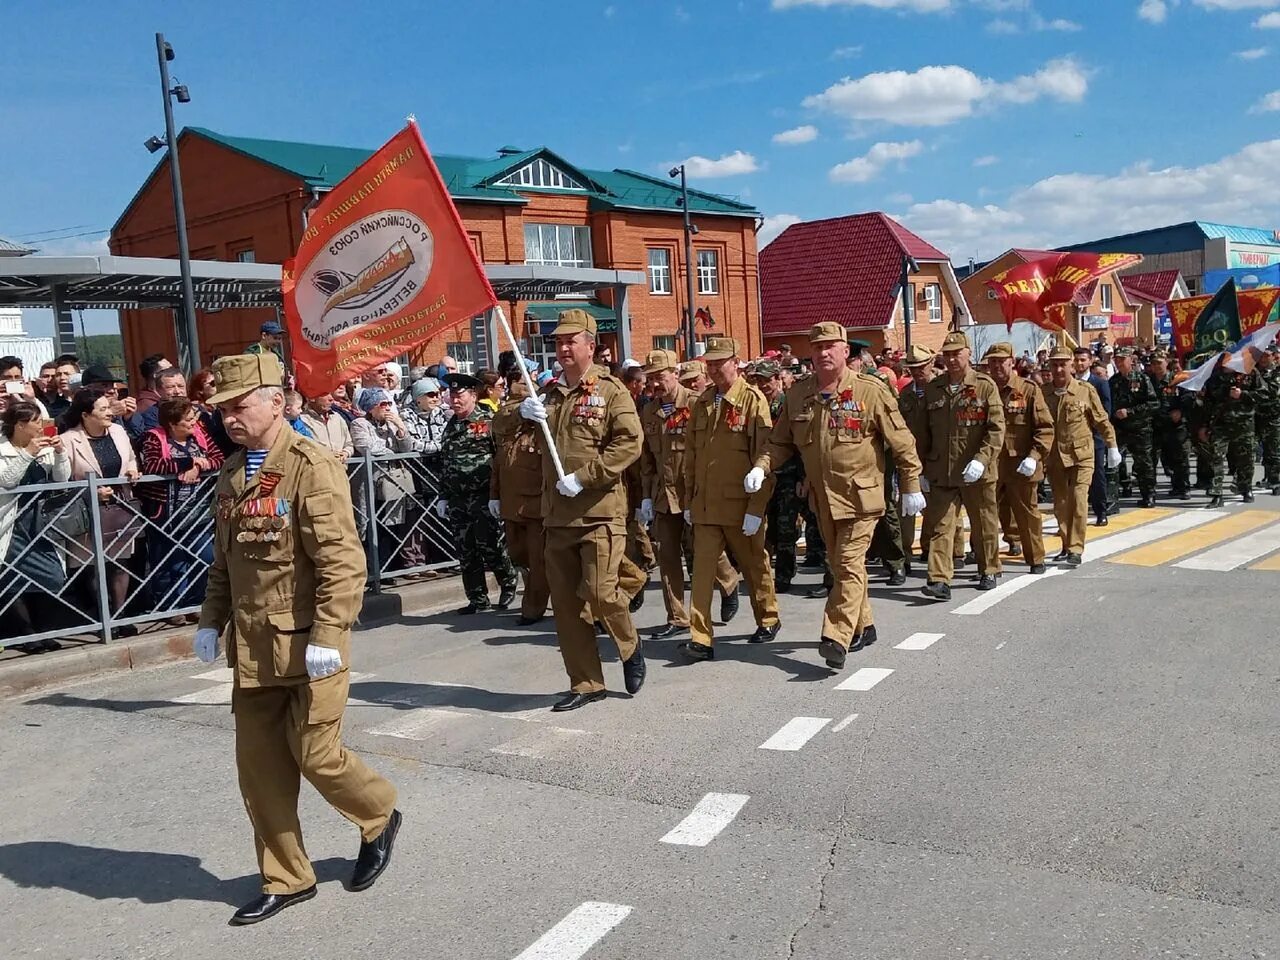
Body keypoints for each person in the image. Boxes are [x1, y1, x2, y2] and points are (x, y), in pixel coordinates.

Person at [192, 353, 399, 926]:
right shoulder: (234, 472)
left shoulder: (311, 465)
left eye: (240, 406)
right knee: (260, 771)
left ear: (275, 402)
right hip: (253, 650)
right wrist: (211, 621)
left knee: (316, 754)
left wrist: (331, 631)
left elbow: (341, 559)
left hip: (309, 645)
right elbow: (225, 564)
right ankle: (287, 877)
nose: (230, 418)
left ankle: (378, 812)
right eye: (223, 410)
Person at [753, 322, 923, 668]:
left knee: (846, 565)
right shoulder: (800, 394)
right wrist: (761, 466)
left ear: (846, 351)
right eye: (817, 347)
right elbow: (781, 442)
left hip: (862, 499)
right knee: (846, 566)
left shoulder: (869, 391)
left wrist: (911, 484)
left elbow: (901, 440)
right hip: (824, 500)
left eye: (831, 346)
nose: (824, 352)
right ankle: (866, 624)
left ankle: (836, 636)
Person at [517, 309, 646, 711]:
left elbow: (629, 442)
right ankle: (587, 682)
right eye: (558, 341)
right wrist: (520, 414)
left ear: (592, 346)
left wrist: (586, 476)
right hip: (557, 516)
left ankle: (630, 644)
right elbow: (506, 433)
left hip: (599, 512)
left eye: (571, 340)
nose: (563, 347)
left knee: (600, 590)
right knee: (568, 607)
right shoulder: (550, 395)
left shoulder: (611, 392)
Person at [679, 336, 780, 662]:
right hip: (706, 506)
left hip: (739, 506)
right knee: (702, 573)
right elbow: (692, 456)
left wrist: (756, 508)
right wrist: (689, 500)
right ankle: (701, 637)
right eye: (709, 363)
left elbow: (764, 456)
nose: (713, 368)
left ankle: (768, 617)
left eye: (719, 362)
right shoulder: (703, 401)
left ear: (735, 363)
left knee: (754, 566)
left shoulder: (752, 401)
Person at [638, 349, 740, 638]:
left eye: (660, 377)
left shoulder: (697, 404)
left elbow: (709, 450)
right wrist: (645, 496)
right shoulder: (649, 410)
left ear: (675, 373)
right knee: (668, 555)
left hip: (693, 491)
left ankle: (729, 581)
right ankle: (677, 617)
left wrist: (705, 490)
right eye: (651, 379)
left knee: (703, 548)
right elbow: (647, 459)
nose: (656, 384)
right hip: (663, 494)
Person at [918, 331, 1005, 602]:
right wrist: (920, 469)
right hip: (941, 470)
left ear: (968, 354)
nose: (953, 359)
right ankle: (939, 579)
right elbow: (922, 432)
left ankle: (988, 568)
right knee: (941, 526)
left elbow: (996, 428)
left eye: (957, 353)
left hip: (976, 472)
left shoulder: (984, 385)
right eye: (948, 354)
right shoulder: (934, 388)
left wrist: (981, 460)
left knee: (983, 524)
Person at [61, 387, 143, 636]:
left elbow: (129, 457)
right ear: (86, 415)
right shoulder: (68, 439)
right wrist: (91, 492)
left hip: (119, 504)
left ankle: (120, 616)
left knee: (120, 562)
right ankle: (102, 618)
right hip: (87, 511)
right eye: (103, 409)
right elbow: (63, 479)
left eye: (109, 407)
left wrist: (131, 468)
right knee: (92, 566)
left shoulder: (118, 431)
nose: (110, 412)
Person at [434, 372, 516, 613]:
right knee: (466, 550)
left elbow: (500, 458)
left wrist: (497, 494)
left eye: (459, 395)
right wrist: (444, 495)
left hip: (482, 495)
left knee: (489, 544)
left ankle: (508, 583)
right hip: (459, 498)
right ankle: (477, 598)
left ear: (472, 395)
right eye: (451, 395)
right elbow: (447, 462)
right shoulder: (451, 425)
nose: (454, 400)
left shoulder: (488, 420)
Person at [138, 397, 222, 618]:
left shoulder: (200, 436)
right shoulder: (154, 438)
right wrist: (189, 463)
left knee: (204, 557)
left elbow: (219, 459)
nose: (194, 423)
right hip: (165, 512)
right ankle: (171, 606)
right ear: (172, 424)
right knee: (169, 560)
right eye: (188, 420)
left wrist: (201, 466)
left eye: (194, 418)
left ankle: (196, 602)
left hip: (199, 511)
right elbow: (154, 465)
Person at [0, 400, 69, 653]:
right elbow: (7, 480)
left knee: (52, 576)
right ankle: (26, 634)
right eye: (37, 422)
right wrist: (27, 452)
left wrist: (61, 453)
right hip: (10, 523)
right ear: (20, 425)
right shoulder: (3, 447)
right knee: (12, 578)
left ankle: (44, 629)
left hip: (40, 521)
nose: (42, 427)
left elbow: (62, 479)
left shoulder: (45, 447)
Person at [1042, 347, 1120, 565]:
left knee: (1078, 500)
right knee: (1060, 504)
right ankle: (1067, 545)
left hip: (1082, 456)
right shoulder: (1042, 392)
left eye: (1063, 364)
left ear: (1071, 365)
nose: (1058, 369)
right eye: (1054, 364)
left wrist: (1112, 445)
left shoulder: (1085, 390)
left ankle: (1076, 548)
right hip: (1055, 457)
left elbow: (1101, 420)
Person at [983, 342, 1054, 575]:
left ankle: (1035, 557)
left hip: (1020, 463)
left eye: (1000, 361)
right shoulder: (983, 390)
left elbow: (1044, 428)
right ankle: (989, 563)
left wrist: (1034, 456)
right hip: (991, 463)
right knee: (987, 513)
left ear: (1011, 362)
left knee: (1027, 512)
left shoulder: (1029, 390)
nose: (996, 366)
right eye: (991, 362)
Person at [490, 368, 549, 624]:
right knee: (518, 556)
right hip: (511, 504)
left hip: (536, 504)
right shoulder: (507, 428)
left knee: (538, 561)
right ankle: (539, 596)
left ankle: (533, 608)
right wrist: (494, 495)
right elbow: (498, 465)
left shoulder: (542, 428)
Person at [350, 388, 416, 576]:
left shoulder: (391, 423)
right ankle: (377, 570)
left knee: (394, 523)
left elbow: (407, 448)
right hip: (372, 481)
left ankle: (393, 568)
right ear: (371, 408)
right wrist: (392, 452)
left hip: (394, 481)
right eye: (382, 404)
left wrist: (401, 429)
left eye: (388, 404)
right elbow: (366, 446)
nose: (387, 408)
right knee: (373, 525)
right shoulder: (359, 423)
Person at [1109, 346, 1159, 507]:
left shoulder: (1142, 379)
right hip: (1120, 429)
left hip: (1140, 429)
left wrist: (1130, 412)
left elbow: (1153, 403)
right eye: (1117, 360)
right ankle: (1113, 496)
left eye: (1123, 359)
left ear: (1131, 360)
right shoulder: (1114, 381)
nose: (1119, 362)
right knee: (1114, 462)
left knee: (1144, 464)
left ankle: (1148, 495)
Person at [1204, 365, 1260, 506]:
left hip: (1244, 425)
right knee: (1217, 458)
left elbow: (1264, 395)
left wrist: (1243, 395)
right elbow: (1207, 401)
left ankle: (1245, 487)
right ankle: (1217, 493)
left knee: (1246, 459)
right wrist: (1204, 425)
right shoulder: (1214, 376)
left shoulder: (1249, 372)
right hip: (1220, 425)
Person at [1074, 346, 1115, 526]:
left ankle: (1101, 511)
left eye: (1083, 360)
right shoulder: (1069, 383)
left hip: (1094, 437)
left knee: (1097, 476)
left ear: (1090, 361)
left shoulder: (1099, 383)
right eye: (1076, 360)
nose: (1079, 363)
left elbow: (1105, 411)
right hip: (1074, 438)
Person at [1148, 352, 1191, 500]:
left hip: (1175, 425)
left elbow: (1188, 398)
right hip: (1155, 425)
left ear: (1167, 362)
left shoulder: (1178, 379)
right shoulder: (1147, 380)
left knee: (1179, 458)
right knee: (1154, 458)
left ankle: (1183, 487)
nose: (1157, 366)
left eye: (1159, 362)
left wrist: (1181, 411)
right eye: (1154, 363)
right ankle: (1149, 489)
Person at [1253, 347, 1280, 495]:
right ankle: (1266, 477)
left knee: (1273, 451)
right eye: (1261, 356)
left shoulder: (1276, 373)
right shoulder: (1253, 371)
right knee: (1253, 449)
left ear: (1273, 357)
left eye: (1267, 356)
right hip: (1256, 416)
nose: (1263, 359)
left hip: (1272, 417)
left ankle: (1275, 481)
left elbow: (1271, 392)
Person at [299, 391, 354, 459]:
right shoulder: (302, 421)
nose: (331, 398)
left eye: (331, 394)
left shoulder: (337, 418)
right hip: (318, 467)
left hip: (340, 468)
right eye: (325, 394)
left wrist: (346, 453)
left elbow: (349, 444)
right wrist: (326, 454)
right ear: (312, 398)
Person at [45, 356, 80, 421]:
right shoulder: (52, 408)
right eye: (58, 375)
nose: (62, 378)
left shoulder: (89, 400)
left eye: (67, 374)